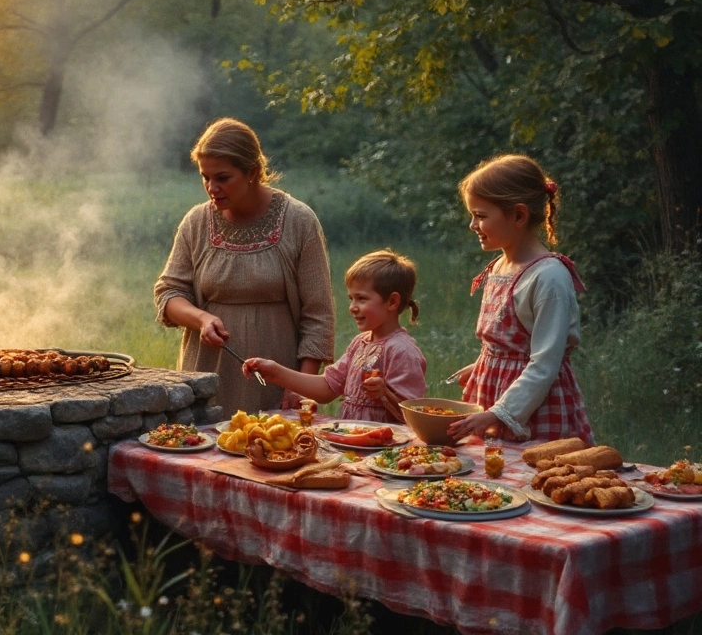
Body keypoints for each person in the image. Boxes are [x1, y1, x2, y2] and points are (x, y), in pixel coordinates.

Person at [154, 117, 335, 414]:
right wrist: (201, 319)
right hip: (206, 373)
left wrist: (300, 385)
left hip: (277, 376)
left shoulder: (299, 221)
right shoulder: (196, 222)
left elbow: (318, 315)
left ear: (252, 172)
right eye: (205, 177)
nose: (212, 187)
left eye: (223, 178)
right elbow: (168, 294)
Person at [445, 154, 594, 443]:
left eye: (481, 216)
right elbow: (510, 345)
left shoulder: (549, 277)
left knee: (532, 477)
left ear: (518, 215)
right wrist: (483, 366)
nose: (472, 225)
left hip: (533, 409)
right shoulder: (499, 267)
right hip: (495, 396)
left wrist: (498, 413)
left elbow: (544, 364)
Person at [241, 249, 426, 423]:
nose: (352, 307)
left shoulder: (402, 351)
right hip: (351, 442)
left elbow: (416, 418)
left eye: (361, 298)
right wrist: (276, 372)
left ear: (392, 302)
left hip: (384, 451)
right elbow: (327, 388)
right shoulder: (359, 343)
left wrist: (385, 393)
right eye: (351, 298)